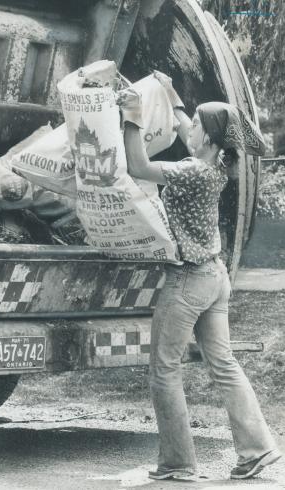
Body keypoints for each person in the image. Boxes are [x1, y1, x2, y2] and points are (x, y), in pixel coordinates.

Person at [122, 71, 282, 481]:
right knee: (224, 364)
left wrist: (132, 116)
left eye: (195, 124)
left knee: (164, 369)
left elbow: (138, 165)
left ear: (208, 140)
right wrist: (170, 91)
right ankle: (258, 449)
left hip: (188, 281)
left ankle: (178, 464)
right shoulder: (216, 168)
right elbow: (180, 123)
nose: (185, 127)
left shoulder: (191, 172)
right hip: (215, 278)